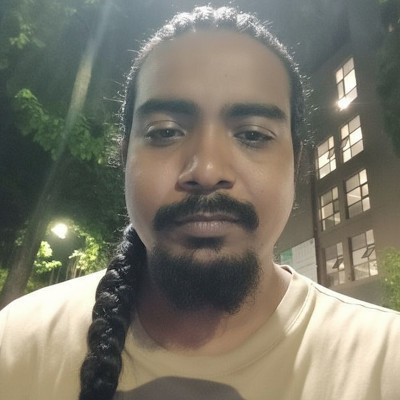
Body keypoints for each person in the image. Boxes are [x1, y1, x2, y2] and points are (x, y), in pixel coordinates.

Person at [1, 6, 399, 400]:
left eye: (253, 135)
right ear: (124, 160)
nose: (207, 170)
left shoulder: (385, 361)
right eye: (165, 132)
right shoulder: (18, 345)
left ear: (297, 164)